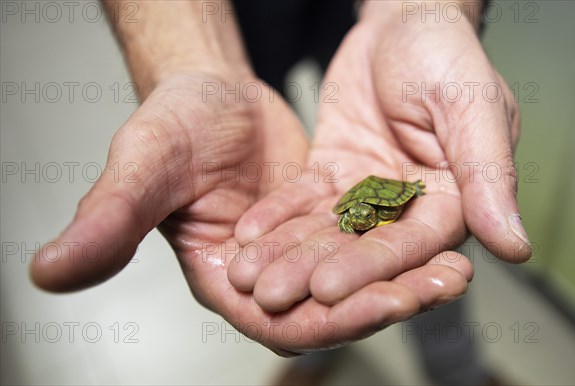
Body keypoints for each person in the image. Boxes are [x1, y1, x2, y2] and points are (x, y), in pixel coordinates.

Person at [30, 0, 531, 362]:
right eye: (354, 216)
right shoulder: (351, 213)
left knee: (430, 233)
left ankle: (456, 365)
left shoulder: (369, 208)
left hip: (370, 16)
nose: (354, 218)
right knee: (282, 228)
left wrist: (424, 10)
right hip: (229, 16)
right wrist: (191, 62)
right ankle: (320, 352)